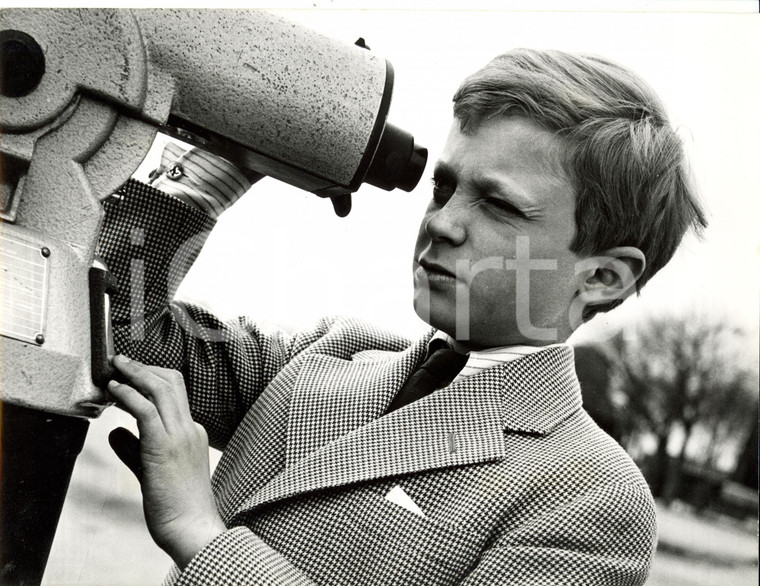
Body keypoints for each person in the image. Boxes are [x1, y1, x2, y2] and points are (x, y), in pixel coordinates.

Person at [99, 48, 706, 585]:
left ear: (602, 277)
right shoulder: (332, 354)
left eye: (499, 206)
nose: (441, 222)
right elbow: (122, 328)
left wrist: (201, 537)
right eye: (443, 187)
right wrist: (226, 153)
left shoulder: (591, 494)